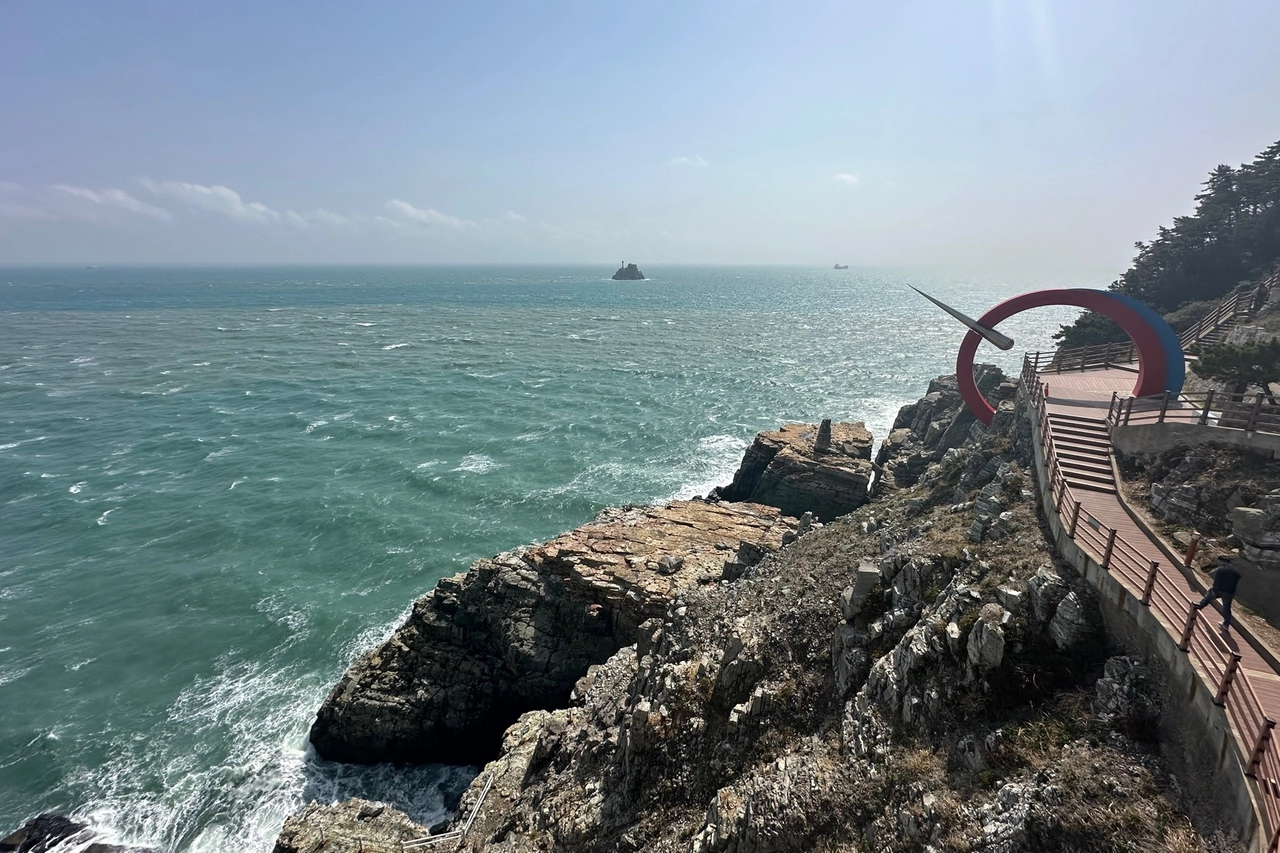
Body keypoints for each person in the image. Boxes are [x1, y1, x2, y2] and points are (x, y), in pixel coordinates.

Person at [1195, 553, 1243, 631]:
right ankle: (1226, 625)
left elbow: (1217, 581)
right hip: (1229, 592)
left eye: (1219, 561)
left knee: (1207, 598)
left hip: (1219, 590)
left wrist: (1214, 590)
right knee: (1226, 608)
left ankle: (1197, 608)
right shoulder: (1235, 572)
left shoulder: (1221, 570)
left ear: (1222, 562)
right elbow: (1237, 579)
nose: (1218, 563)